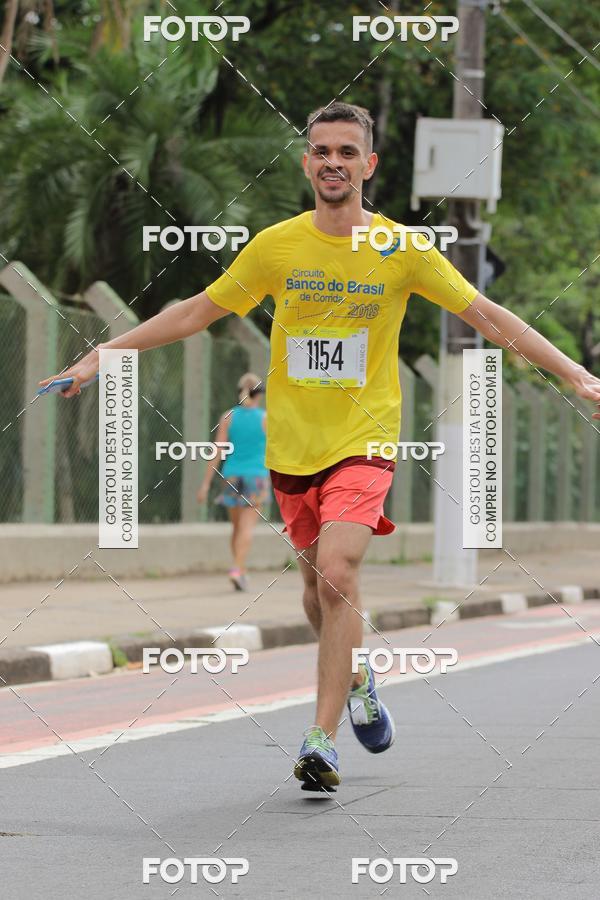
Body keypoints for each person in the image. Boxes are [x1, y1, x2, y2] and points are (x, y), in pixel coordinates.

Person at [41, 101, 600, 793]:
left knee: (337, 571)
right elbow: (196, 312)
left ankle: (320, 741)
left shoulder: (402, 249)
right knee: (314, 588)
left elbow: (485, 314)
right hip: (292, 447)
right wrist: (104, 354)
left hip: (364, 440)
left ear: (369, 165)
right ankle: (360, 673)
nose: (333, 162)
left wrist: (571, 371)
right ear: (308, 163)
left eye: (346, 152)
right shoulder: (277, 246)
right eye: (320, 151)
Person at [196, 372, 269, 592]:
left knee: (236, 528)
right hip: (257, 476)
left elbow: (217, 450)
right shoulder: (266, 418)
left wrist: (206, 483)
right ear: (260, 395)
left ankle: (240, 569)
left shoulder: (228, 416)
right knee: (247, 528)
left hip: (232, 475)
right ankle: (237, 569)